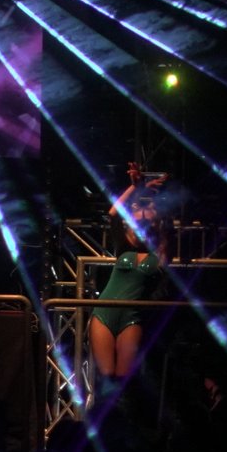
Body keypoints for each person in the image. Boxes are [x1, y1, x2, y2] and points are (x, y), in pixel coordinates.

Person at [87, 163, 170, 389]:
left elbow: (165, 223)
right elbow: (113, 214)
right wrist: (135, 187)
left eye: (148, 212)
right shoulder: (123, 247)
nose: (142, 216)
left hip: (132, 317)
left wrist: (158, 194)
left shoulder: (160, 252)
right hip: (104, 312)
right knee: (106, 375)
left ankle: (128, 409)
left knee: (123, 378)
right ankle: (101, 411)